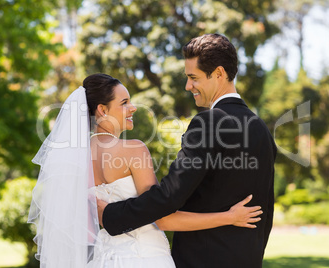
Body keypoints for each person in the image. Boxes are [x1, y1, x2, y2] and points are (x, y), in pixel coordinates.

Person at [28, 73, 263, 268]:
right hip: (144, 258)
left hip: (103, 259)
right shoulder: (133, 150)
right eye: (124, 103)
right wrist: (230, 217)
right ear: (102, 110)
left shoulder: (76, 159)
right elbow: (164, 219)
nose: (133, 108)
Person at [98, 34, 277, 268]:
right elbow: (267, 213)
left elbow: (169, 195)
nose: (188, 86)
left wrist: (111, 215)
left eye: (193, 78)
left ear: (220, 74)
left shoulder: (209, 122)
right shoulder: (261, 129)